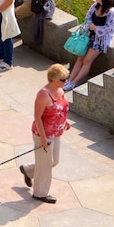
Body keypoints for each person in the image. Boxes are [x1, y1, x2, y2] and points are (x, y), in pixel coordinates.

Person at [19, 63, 70, 204]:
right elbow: (37, 116)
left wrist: (64, 121)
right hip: (44, 134)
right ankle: (40, 193)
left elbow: (60, 108)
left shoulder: (60, 90)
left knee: (54, 161)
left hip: (57, 132)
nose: (66, 81)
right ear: (53, 79)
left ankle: (28, 170)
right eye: (63, 79)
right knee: (46, 165)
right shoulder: (43, 94)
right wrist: (42, 137)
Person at [63, 0, 114, 91]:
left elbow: (109, 28)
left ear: (105, 0)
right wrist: (90, 25)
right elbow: (87, 18)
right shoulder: (95, 6)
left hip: (100, 39)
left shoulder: (112, 12)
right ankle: (70, 80)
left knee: (87, 60)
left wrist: (96, 28)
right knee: (80, 58)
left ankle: (74, 82)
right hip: (87, 35)